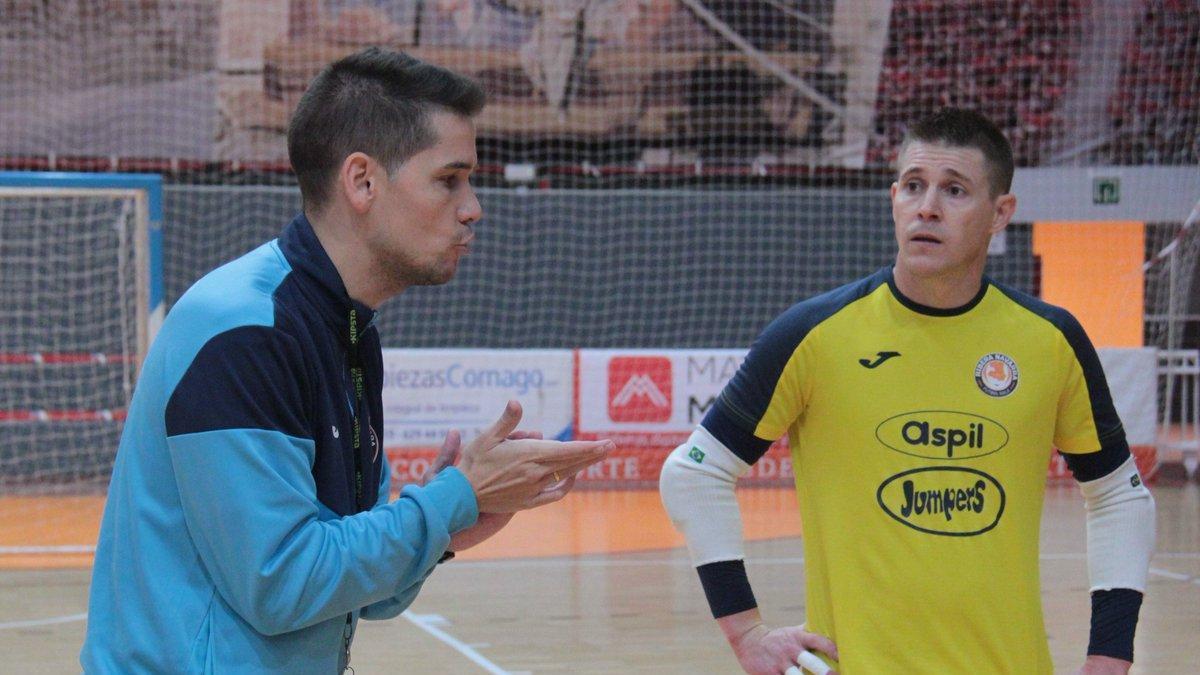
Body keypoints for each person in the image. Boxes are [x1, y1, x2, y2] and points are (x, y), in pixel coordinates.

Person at [81, 47, 612, 673]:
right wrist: (450, 501)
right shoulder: (246, 330)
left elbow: (345, 594)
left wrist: (453, 520)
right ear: (362, 181)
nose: (473, 207)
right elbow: (280, 586)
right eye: (450, 178)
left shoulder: (344, 328)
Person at [660, 108, 1156, 674]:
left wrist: (1109, 655)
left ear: (1001, 213)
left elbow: (1121, 497)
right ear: (893, 197)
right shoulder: (812, 334)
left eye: (955, 190)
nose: (927, 206)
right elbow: (693, 472)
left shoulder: (1051, 340)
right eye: (914, 186)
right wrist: (746, 632)